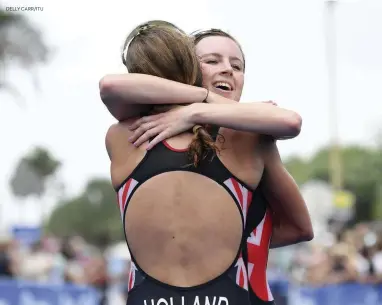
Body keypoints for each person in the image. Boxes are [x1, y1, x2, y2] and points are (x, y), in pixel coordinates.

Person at [100, 21, 313, 305]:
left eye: (237, 66)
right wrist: (200, 102)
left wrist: (196, 111)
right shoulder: (249, 138)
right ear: (188, 68)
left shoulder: (125, 135)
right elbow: (111, 85)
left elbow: (300, 228)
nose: (227, 69)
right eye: (212, 61)